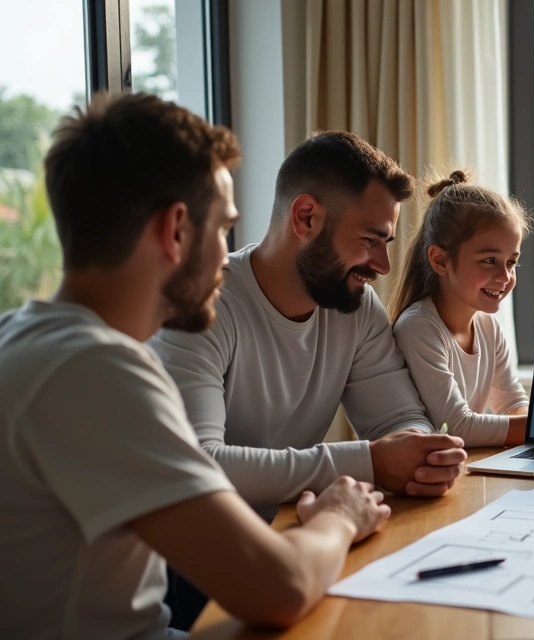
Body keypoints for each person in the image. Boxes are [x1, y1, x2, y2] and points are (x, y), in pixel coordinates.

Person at [0, 92, 390, 639]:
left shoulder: (22, 337)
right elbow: (279, 588)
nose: (229, 253)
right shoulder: (95, 374)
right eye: (223, 228)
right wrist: (341, 513)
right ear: (176, 230)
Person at [149, 131, 468, 628]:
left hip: (293, 537)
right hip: (190, 567)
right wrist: (370, 462)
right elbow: (202, 466)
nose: (382, 266)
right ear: (305, 218)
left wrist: (422, 455)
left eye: (386, 243)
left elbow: (399, 418)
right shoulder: (201, 308)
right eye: (368, 241)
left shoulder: (355, 305)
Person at [387, 170, 531, 447]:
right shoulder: (418, 328)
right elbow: (457, 426)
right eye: (490, 260)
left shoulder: (489, 328)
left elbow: (513, 403)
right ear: (440, 260)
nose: (504, 276)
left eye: (511, 262)